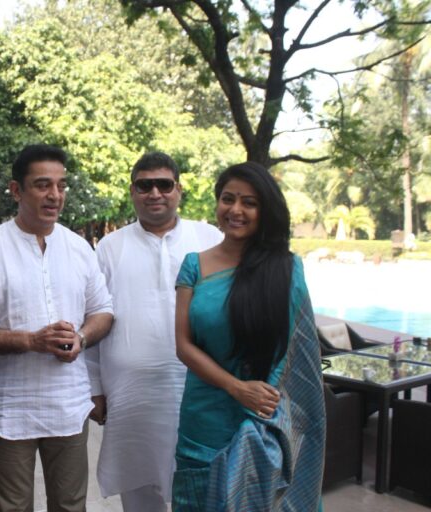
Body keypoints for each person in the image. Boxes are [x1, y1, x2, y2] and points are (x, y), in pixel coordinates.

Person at [0, 144, 114, 512]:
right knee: (12, 507)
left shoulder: (78, 248)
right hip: (11, 408)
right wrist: (31, 340)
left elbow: (103, 310)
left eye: (61, 185)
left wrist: (82, 336)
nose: (54, 195)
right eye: (42, 185)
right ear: (16, 190)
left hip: (70, 405)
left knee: (71, 506)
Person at [172, 162, 325, 510]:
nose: (235, 210)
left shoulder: (285, 268)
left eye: (249, 202)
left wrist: (261, 405)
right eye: (228, 199)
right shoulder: (194, 264)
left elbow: (293, 350)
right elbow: (183, 345)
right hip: (203, 419)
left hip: (261, 416)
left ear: (264, 210)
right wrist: (236, 388)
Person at [87, 152, 222, 511]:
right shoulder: (110, 248)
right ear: (132, 191)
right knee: (139, 484)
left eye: (164, 184)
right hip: (130, 395)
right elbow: (92, 318)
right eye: (145, 185)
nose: (155, 193)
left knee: (197, 481)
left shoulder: (208, 237)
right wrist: (94, 388)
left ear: (178, 190)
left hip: (195, 387)